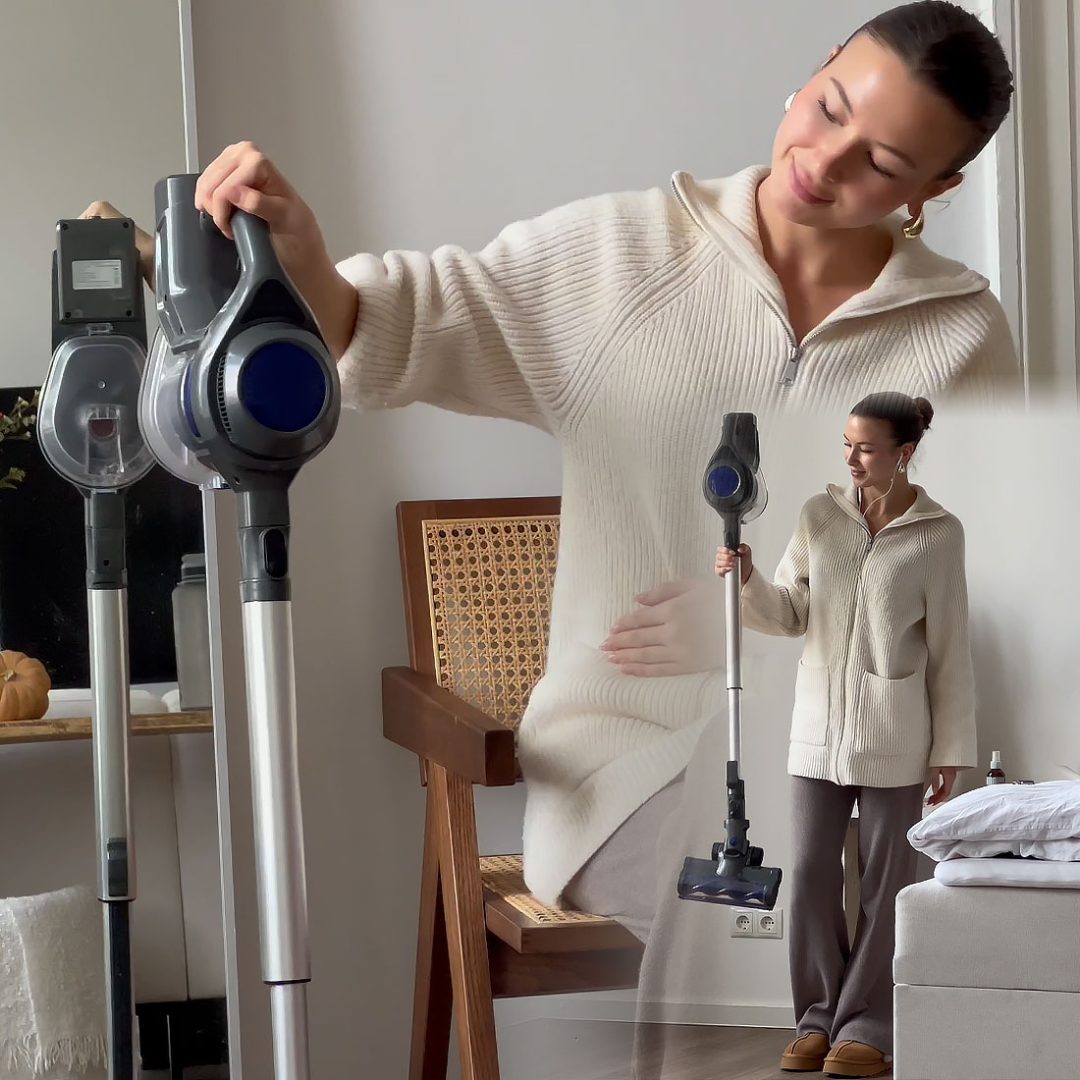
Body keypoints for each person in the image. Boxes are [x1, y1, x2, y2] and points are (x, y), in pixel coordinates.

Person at [90, 0, 1011, 967]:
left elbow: (983, 585)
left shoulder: (961, 336)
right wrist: (302, 260)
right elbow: (397, 325)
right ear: (818, 68)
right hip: (632, 769)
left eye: (882, 163)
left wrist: (757, 630)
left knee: (958, 932)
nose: (823, 161)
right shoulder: (628, 257)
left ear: (935, 188)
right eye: (829, 108)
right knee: (813, 932)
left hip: (868, 764)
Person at [714, 392, 974, 1078]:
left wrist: (951, 751)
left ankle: (868, 1026)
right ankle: (816, 1017)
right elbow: (789, 612)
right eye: (846, 445)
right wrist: (747, 578)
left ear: (904, 453)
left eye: (866, 448)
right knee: (808, 875)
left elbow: (951, 648)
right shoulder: (818, 517)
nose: (852, 459)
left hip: (897, 732)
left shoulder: (938, 533)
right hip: (817, 728)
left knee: (885, 886)